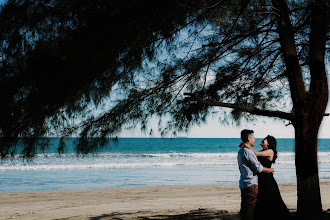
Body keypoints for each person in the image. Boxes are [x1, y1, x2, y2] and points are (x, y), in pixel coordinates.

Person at [243, 135, 291, 220]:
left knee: (271, 199)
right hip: (260, 178)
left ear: (269, 143)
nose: (262, 140)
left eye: (265, 139)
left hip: (267, 180)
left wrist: (248, 146)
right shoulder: (263, 151)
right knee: (261, 199)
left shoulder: (270, 151)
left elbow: (256, 154)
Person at [237, 129, 274, 220]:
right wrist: (270, 169)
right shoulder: (249, 152)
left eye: (262, 141)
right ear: (249, 138)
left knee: (247, 206)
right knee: (250, 207)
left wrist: (245, 145)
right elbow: (258, 168)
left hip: (257, 181)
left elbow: (256, 155)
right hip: (252, 182)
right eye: (253, 138)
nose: (255, 140)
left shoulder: (242, 151)